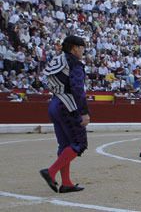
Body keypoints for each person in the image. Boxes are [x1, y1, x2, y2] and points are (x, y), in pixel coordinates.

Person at [40, 35, 90, 193]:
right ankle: (51, 171)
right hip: (67, 105)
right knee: (79, 143)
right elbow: (77, 88)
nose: (83, 52)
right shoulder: (74, 63)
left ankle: (66, 183)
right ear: (75, 48)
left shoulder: (57, 60)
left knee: (65, 145)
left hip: (54, 103)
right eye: (82, 48)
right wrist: (84, 112)